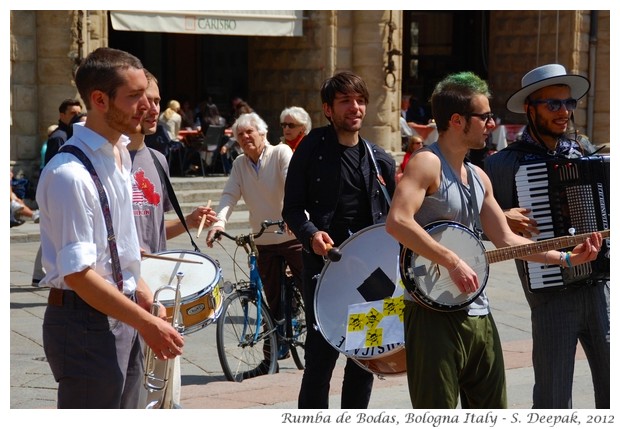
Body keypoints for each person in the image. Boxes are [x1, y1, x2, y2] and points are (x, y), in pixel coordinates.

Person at [384, 71, 602, 409]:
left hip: (477, 310)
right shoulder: (427, 163)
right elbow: (397, 221)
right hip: (430, 313)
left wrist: (567, 258)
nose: (492, 124)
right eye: (484, 116)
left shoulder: (479, 175)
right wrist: (452, 260)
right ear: (457, 120)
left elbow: (507, 240)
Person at [36, 47, 184, 409]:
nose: (148, 108)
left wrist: (144, 296)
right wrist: (146, 324)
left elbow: (121, 246)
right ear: (99, 100)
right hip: (83, 322)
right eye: (135, 97)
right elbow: (79, 274)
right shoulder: (68, 174)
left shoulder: (118, 152)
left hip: (120, 313)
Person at [484, 64, 610, 408]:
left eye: (568, 103)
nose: (564, 112)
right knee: (553, 399)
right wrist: (501, 218)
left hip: (600, 289)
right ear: (530, 109)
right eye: (552, 105)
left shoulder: (585, 152)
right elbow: (475, 220)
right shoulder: (504, 164)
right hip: (551, 297)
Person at [282, 71, 396, 409]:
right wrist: (311, 233)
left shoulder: (380, 159)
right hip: (325, 270)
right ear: (328, 109)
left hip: (373, 276)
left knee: (364, 361)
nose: (355, 107)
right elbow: (291, 208)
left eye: (360, 100)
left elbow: (393, 217)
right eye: (346, 101)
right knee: (320, 362)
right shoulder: (311, 149)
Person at [127, 70, 218, 408]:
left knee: (164, 391)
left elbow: (154, 231)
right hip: (125, 291)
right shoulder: (109, 162)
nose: (152, 109)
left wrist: (190, 221)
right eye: (145, 100)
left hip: (158, 294)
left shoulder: (158, 159)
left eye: (157, 101)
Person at [206, 112, 303, 361]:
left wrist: (293, 215)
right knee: (271, 297)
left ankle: (317, 336)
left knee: (309, 287)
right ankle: (274, 348)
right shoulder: (239, 163)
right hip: (264, 239)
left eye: (250, 131)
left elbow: (293, 180)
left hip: (291, 235)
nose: (245, 137)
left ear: (263, 133)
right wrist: (218, 222)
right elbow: (229, 195)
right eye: (240, 134)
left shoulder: (281, 152)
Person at [43, 98, 83, 165]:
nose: (77, 116)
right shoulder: (59, 137)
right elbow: (56, 166)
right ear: (62, 115)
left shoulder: (74, 134)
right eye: (73, 113)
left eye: (79, 113)